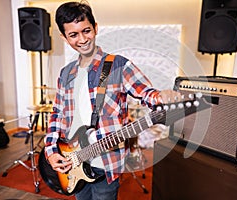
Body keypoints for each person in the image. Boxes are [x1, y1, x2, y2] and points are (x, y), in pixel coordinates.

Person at [43, 1, 181, 200]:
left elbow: (147, 93)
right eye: (73, 35)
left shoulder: (118, 66)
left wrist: (161, 96)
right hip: (73, 159)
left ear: (96, 28)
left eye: (86, 30)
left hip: (106, 163)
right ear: (65, 38)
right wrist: (51, 150)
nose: (82, 39)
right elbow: (57, 114)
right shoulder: (66, 73)